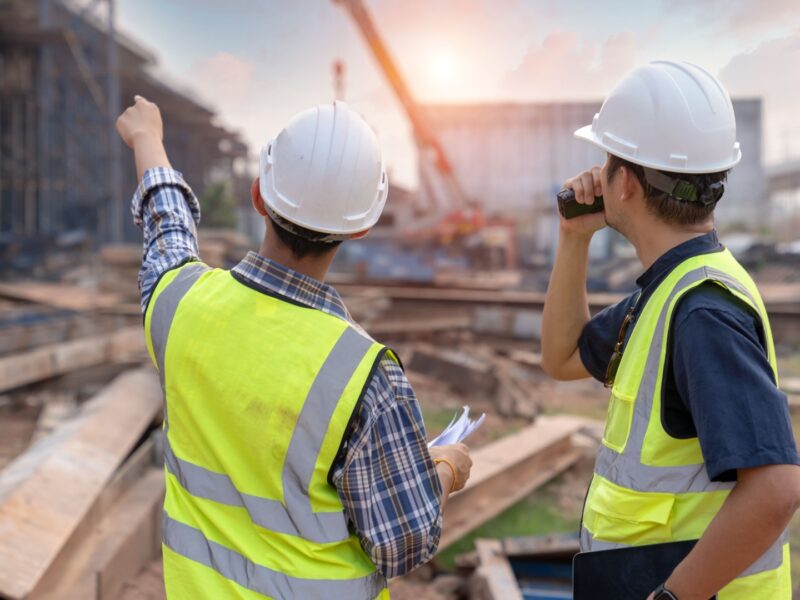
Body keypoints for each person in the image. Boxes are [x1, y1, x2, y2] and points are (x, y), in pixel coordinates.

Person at [116, 97, 472, 600]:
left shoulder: (178, 306)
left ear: (259, 195)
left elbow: (166, 232)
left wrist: (147, 140)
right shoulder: (366, 376)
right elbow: (404, 542)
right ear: (362, 227)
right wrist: (445, 467)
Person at [541, 61, 800, 599]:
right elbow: (562, 356)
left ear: (626, 183)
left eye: (607, 158)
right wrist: (574, 239)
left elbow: (777, 488)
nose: (599, 172)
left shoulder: (701, 312)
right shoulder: (670, 290)